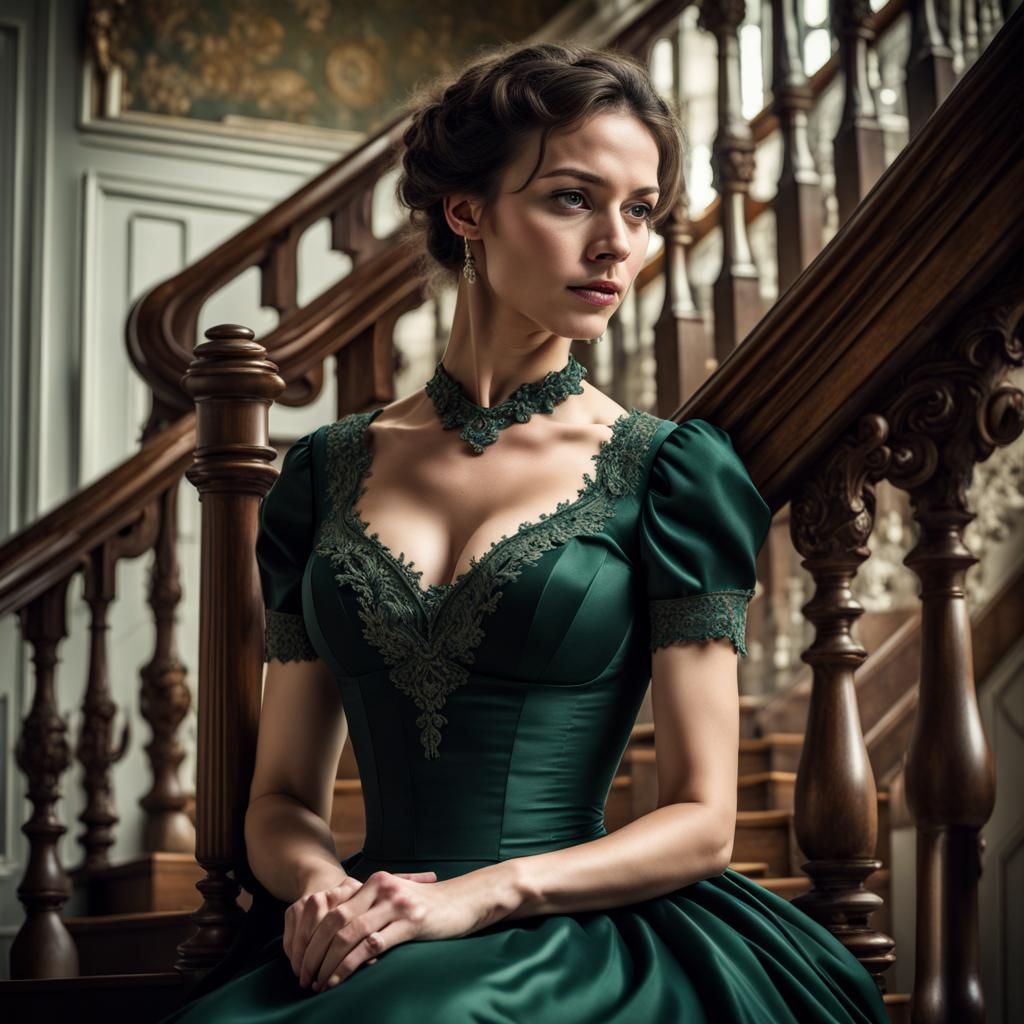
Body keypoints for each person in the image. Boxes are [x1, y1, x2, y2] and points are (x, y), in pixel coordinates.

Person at [158, 41, 891, 1024]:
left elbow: (703, 820)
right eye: (572, 199)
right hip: (377, 920)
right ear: (466, 211)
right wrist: (328, 893)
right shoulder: (321, 475)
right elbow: (282, 797)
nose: (617, 244)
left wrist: (477, 896)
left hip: (568, 925)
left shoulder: (670, 475)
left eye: (641, 210)